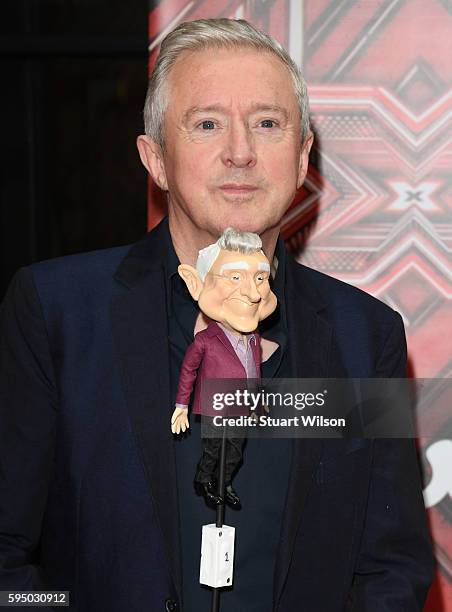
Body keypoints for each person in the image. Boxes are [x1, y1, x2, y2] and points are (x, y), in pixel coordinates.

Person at [0, 17, 434, 612]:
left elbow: (394, 567)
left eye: (267, 123)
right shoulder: (56, 315)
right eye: (207, 124)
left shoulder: (367, 336)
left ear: (304, 155)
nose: (240, 152)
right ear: (155, 159)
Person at [172, 227, 277, 509]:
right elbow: (188, 371)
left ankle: (224, 482)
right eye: (234, 277)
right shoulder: (206, 340)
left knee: (234, 452)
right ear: (197, 284)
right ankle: (205, 480)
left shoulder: (254, 340)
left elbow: (253, 372)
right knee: (212, 450)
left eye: (260, 278)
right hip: (215, 406)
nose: (253, 293)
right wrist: (181, 405)